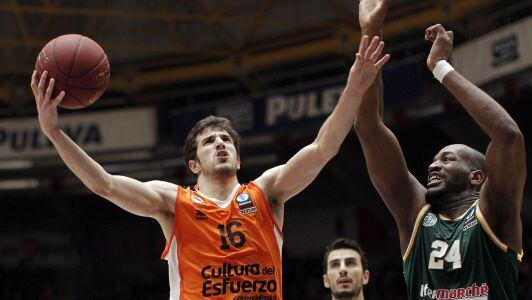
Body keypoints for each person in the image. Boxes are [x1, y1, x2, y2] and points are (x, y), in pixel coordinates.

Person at [30, 35, 389, 299]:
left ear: (238, 157)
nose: (220, 143)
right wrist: (55, 132)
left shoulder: (266, 191)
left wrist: (354, 90)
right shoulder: (172, 202)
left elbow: (324, 147)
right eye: (209, 141)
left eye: (226, 140)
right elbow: (104, 184)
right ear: (193, 164)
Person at [355, 1, 526, 299]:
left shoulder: (494, 210)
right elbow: (368, 128)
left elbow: (508, 136)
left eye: (447, 160)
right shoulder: (415, 213)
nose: (434, 166)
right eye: (434, 160)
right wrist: (370, 31)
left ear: (476, 177)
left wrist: (440, 68)